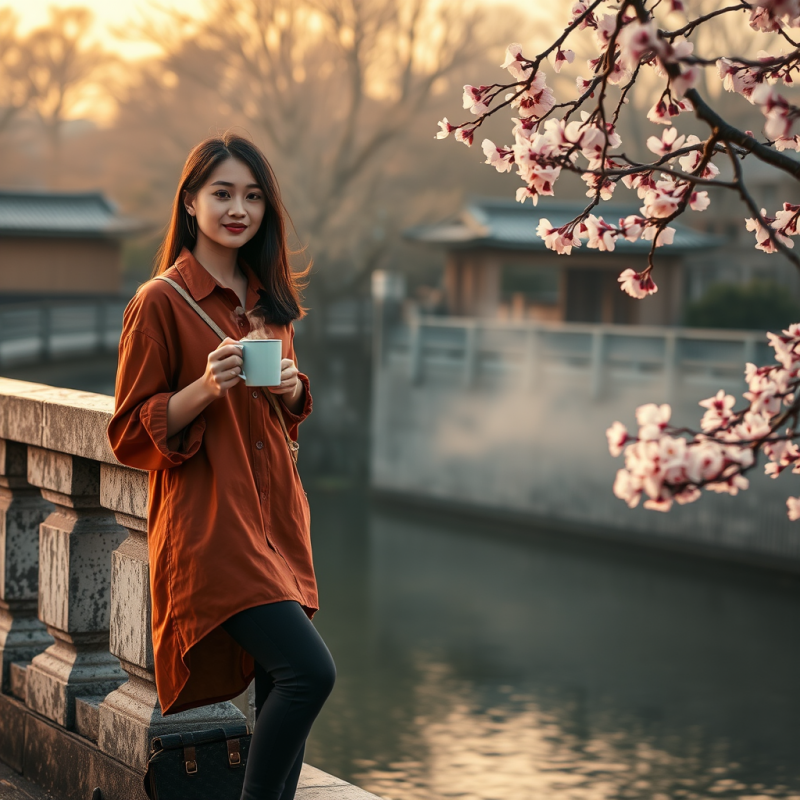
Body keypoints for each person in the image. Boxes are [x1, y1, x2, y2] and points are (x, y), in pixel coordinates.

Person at [107, 132, 335, 800]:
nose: (240, 209)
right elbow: (126, 429)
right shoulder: (160, 303)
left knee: (279, 694)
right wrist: (205, 388)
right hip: (214, 531)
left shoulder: (270, 302)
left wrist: (291, 389)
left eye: (254, 196)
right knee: (308, 674)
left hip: (277, 523)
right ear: (191, 201)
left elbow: (280, 414)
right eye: (224, 193)